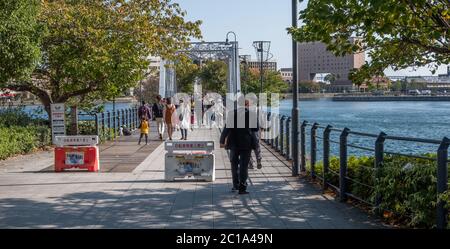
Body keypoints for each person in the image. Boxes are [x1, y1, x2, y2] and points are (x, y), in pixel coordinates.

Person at [220, 97, 259, 195]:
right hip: (246, 143)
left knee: (234, 164)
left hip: (234, 143)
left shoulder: (232, 113)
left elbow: (227, 128)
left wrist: (222, 140)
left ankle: (235, 185)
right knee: (244, 166)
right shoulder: (252, 114)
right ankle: (242, 187)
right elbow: (255, 129)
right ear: (247, 105)